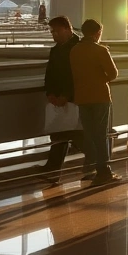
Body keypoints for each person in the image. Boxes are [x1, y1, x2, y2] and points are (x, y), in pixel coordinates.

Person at [69, 19, 121, 186]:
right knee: (101, 133)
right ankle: (104, 170)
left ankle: (89, 167)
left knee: (89, 133)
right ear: (97, 32)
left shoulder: (74, 50)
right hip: (100, 96)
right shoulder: (101, 50)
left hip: (82, 97)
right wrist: (100, 79)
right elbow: (113, 74)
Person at [41, 16, 92, 180]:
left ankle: (97, 161)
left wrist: (67, 95)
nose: (53, 35)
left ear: (67, 29)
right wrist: (50, 92)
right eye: (51, 31)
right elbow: (49, 73)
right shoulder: (56, 49)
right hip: (58, 97)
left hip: (75, 98)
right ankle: (52, 170)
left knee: (75, 134)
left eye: (56, 31)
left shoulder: (79, 47)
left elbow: (78, 75)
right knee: (59, 133)